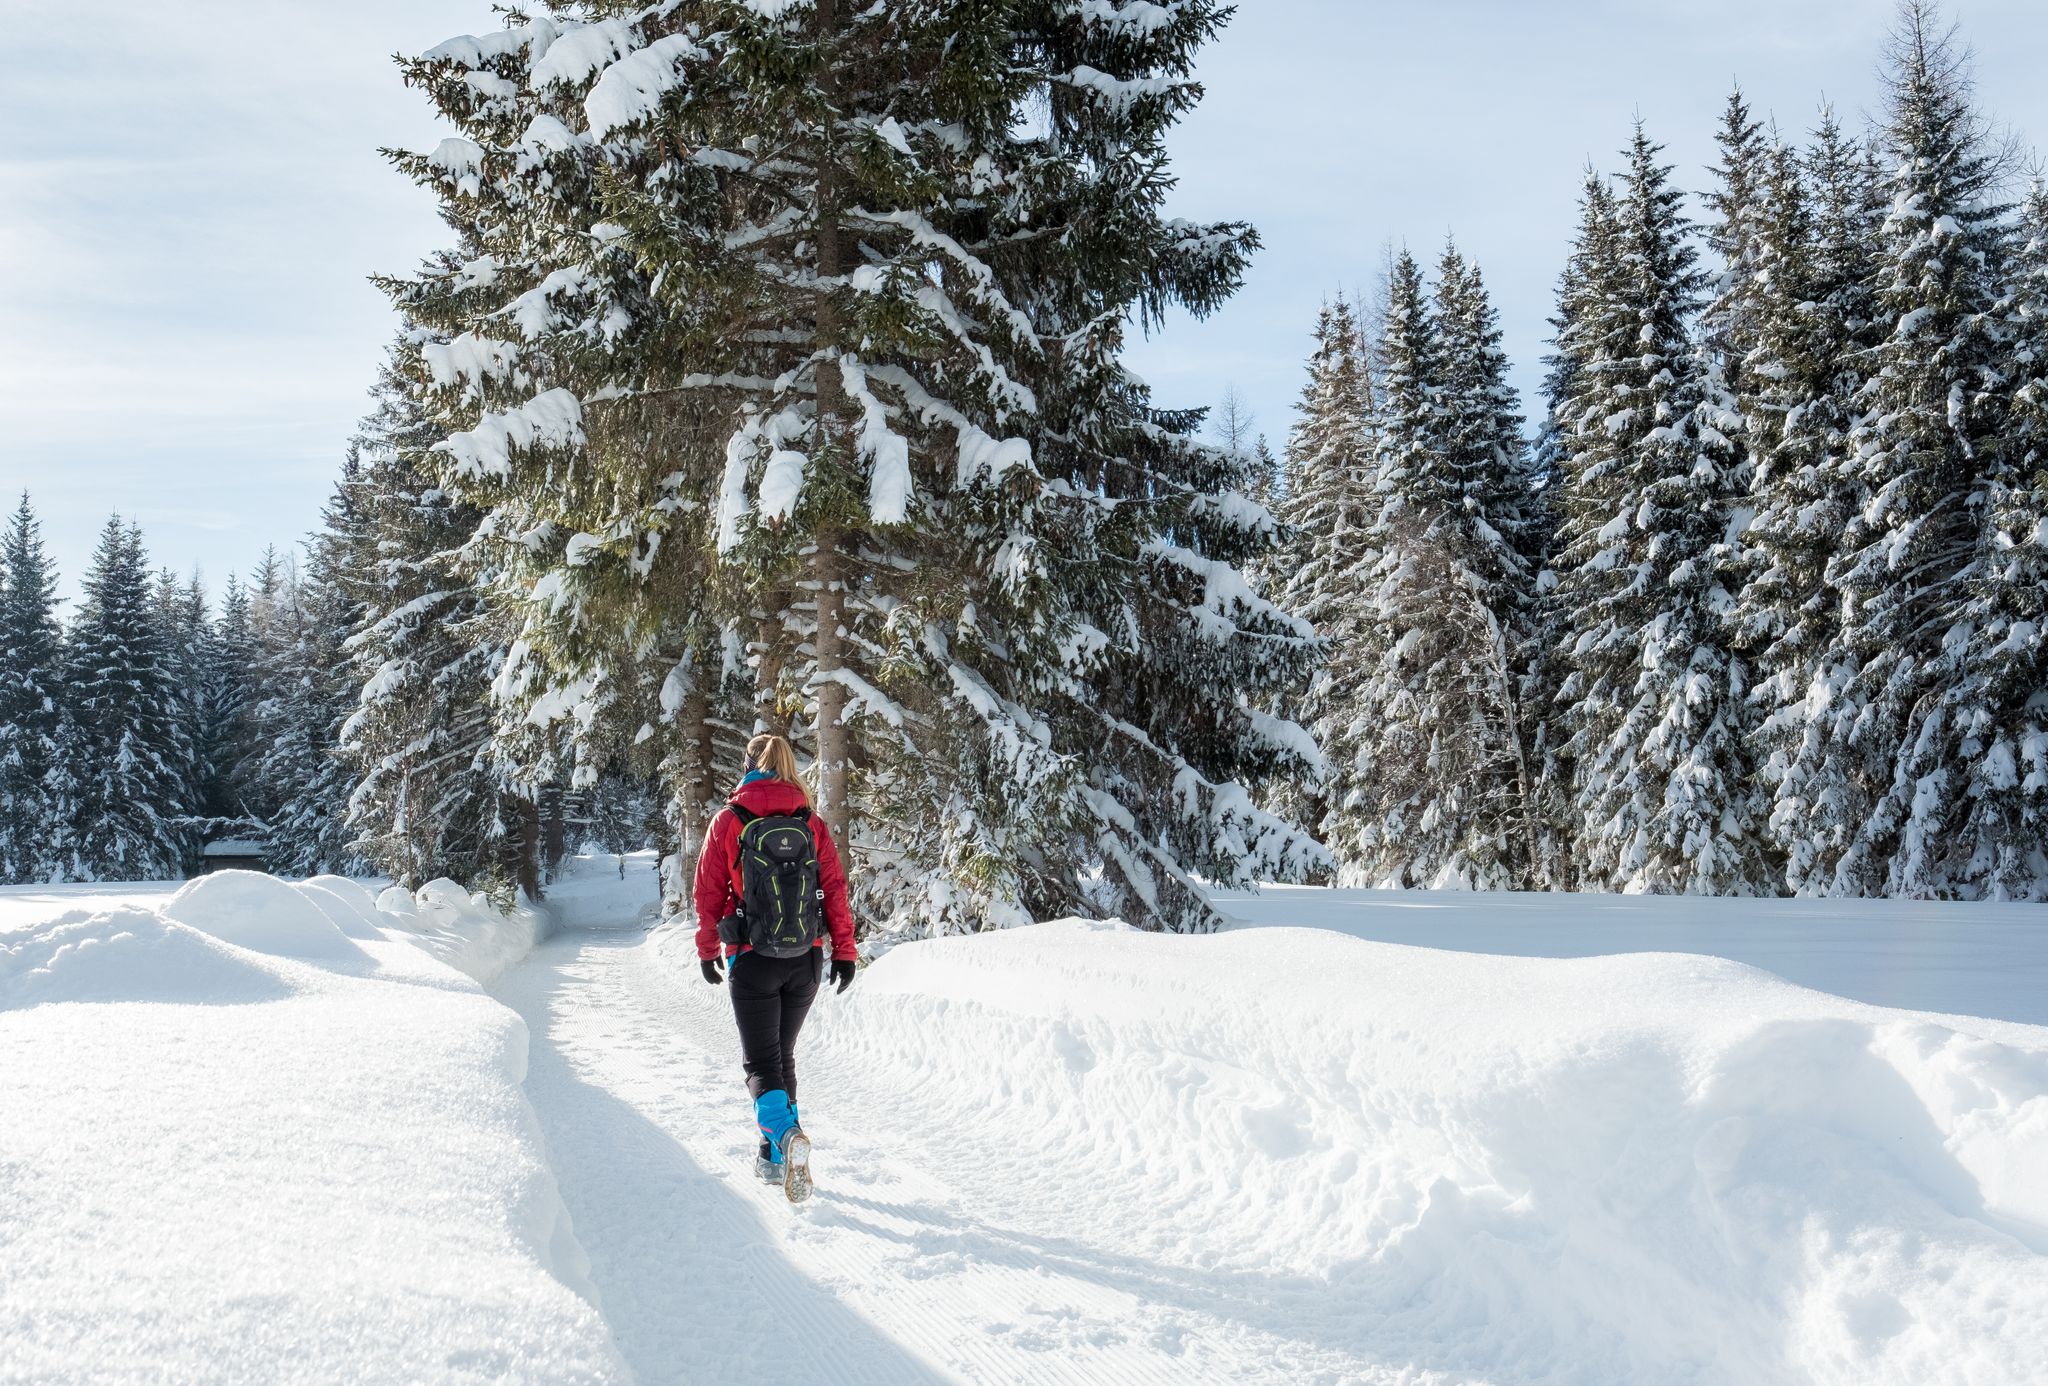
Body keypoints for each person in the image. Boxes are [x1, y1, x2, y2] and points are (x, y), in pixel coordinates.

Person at [693, 733, 858, 1196]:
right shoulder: (811, 821)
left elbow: (708, 895)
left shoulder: (729, 819)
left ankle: (786, 1138)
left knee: (762, 1065)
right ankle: (773, 1157)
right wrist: (843, 951)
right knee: (782, 1058)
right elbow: (834, 890)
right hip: (805, 958)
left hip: (753, 959)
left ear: (748, 765)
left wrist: (708, 949)